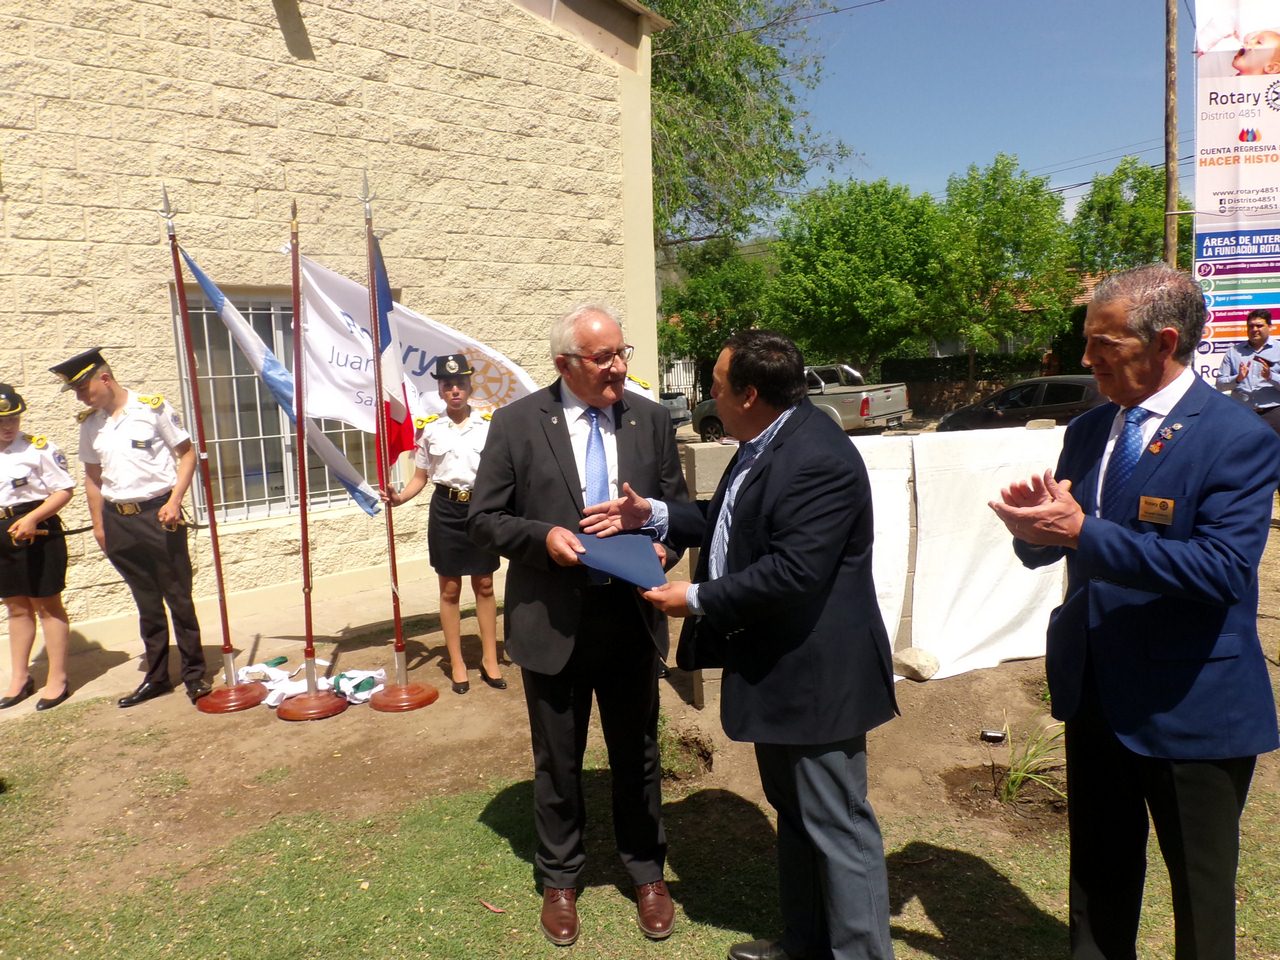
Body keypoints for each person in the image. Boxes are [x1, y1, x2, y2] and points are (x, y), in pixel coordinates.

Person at [989, 264, 1280, 960]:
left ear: (1164, 342)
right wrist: (1036, 533)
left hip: (1191, 705)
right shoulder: (1090, 430)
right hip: (1095, 692)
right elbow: (1073, 547)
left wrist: (1083, 531)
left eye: (1103, 343)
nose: (1086, 358)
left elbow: (1221, 570)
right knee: (1099, 876)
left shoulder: (1237, 437)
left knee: (1200, 897)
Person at [582, 329, 899, 960]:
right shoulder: (768, 439)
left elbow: (794, 571)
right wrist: (656, 516)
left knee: (837, 827)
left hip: (818, 678)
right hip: (780, 666)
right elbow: (735, 519)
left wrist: (693, 598)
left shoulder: (817, 457)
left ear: (749, 394)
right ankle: (807, 944)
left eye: (718, 387)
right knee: (797, 815)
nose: (710, 396)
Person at [467, 303, 686, 947]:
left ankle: (646, 871)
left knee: (637, 754)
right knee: (557, 760)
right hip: (553, 621)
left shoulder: (650, 419)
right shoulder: (515, 423)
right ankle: (560, 878)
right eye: (604, 358)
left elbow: (671, 510)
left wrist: (662, 548)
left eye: (623, 353)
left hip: (630, 619)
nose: (619, 366)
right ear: (565, 363)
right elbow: (484, 518)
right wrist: (544, 538)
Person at [50, 348, 210, 708]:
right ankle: (156, 678)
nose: (79, 396)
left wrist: (174, 501)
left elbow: (187, 454)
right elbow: (92, 478)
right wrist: (99, 525)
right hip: (117, 519)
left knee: (178, 598)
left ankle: (194, 675)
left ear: (104, 378)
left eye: (83, 388)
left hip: (159, 514)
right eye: (75, 391)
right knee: (146, 602)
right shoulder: (91, 424)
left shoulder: (151, 408)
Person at [385, 354, 503, 695]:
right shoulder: (430, 430)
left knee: (484, 586)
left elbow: (499, 474)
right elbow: (420, 477)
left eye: (460, 384)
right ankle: (457, 662)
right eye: (447, 385)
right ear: (440, 389)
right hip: (446, 512)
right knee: (450, 589)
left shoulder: (489, 426)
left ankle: (490, 658)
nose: (454, 390)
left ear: (470, 386)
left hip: (480, 510)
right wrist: (400, 498)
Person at [0, 384, 75, 712]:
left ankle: (57, 678)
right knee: (15, 607)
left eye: (14, 418)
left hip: (36, 530)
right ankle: (20, 678)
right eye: (2, 420)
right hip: (1, 534)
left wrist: (33, 518)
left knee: (47, 605)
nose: (9, 425)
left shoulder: (37, 449)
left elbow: (63, 490)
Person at [1214, 307, 1280, 436]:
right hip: (1244, 414)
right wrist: (1237, 379)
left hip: (1274, 412)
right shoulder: (1234, 352)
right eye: (1251, 326)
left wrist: (1271, 376)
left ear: (1270, 327)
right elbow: (1219, 385)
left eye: (1259, 325)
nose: (1254, 329)